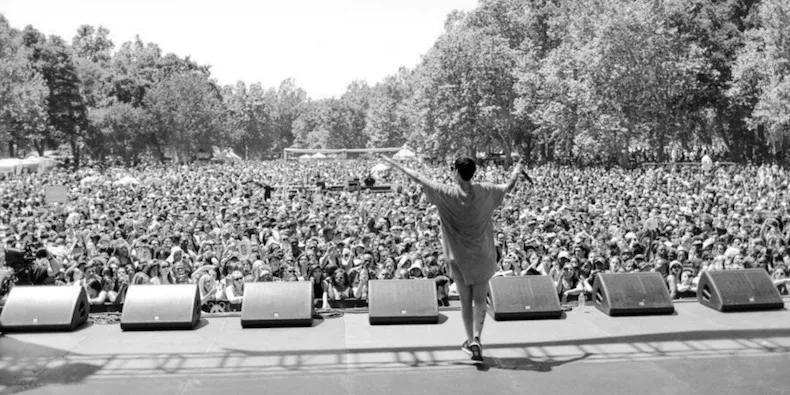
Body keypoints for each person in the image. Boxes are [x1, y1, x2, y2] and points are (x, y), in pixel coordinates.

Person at [380, 154, 524, 362]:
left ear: (456, 172)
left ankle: (470, 339)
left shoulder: (446, 193)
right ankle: (476, 337)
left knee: (466, 302)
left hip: (457, 258)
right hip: (482, 256)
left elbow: (418, 177)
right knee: (480, 300)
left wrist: (393, 162)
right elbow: (508, 186)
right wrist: (517, 169)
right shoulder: (486, 191)